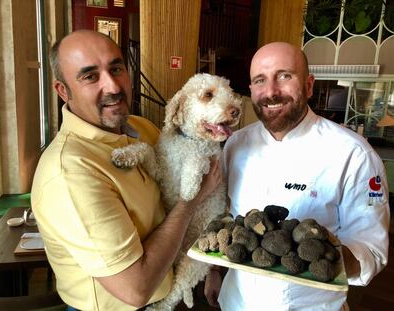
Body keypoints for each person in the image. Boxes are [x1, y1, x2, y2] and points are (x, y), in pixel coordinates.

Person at [31, 30, 221, 311]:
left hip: (174, 291)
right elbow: (136, 289)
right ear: (63, 91)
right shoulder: (70, 173)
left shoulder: (141, 128)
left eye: (116, 68)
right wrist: (191, 201)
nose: (112, 86)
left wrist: (212, 266)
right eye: (90, 76)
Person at [204, 42, 390, 310]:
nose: (270, 91)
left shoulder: (353, 155)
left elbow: (371, 249)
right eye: (260, 80)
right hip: (237, 301)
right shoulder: (235, 145)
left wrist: (324, 252)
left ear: (309, 85)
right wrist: (213, 270)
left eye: (285, 76)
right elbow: (224, 214)